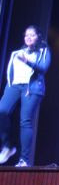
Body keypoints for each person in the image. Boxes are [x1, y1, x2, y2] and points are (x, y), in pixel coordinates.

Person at [0, 25, 51, 167]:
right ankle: (7, 146)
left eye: (32, 35)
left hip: (32, 88)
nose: (28, 37)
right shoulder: (17, 53)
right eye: (26, 35)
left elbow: (43, 68)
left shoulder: (44, 51)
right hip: (14, 86)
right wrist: (8, 87)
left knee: (25, 121)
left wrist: (27, 61)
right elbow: (10, 72)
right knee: (1, 112)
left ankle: (24, 159)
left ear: (38, 37)